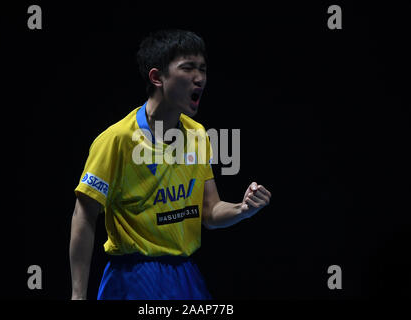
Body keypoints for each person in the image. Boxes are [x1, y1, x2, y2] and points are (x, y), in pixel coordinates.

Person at [69, 29, 271, 300]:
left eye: (202, 68)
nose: (199, 78)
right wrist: (78, 296)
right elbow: (84, 217)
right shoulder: (116, 140)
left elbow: (210, 213)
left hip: (186, 275)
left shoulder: (199, 135)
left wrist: (242, 209)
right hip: (133, 276)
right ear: (157, 77)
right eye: (187, 68)